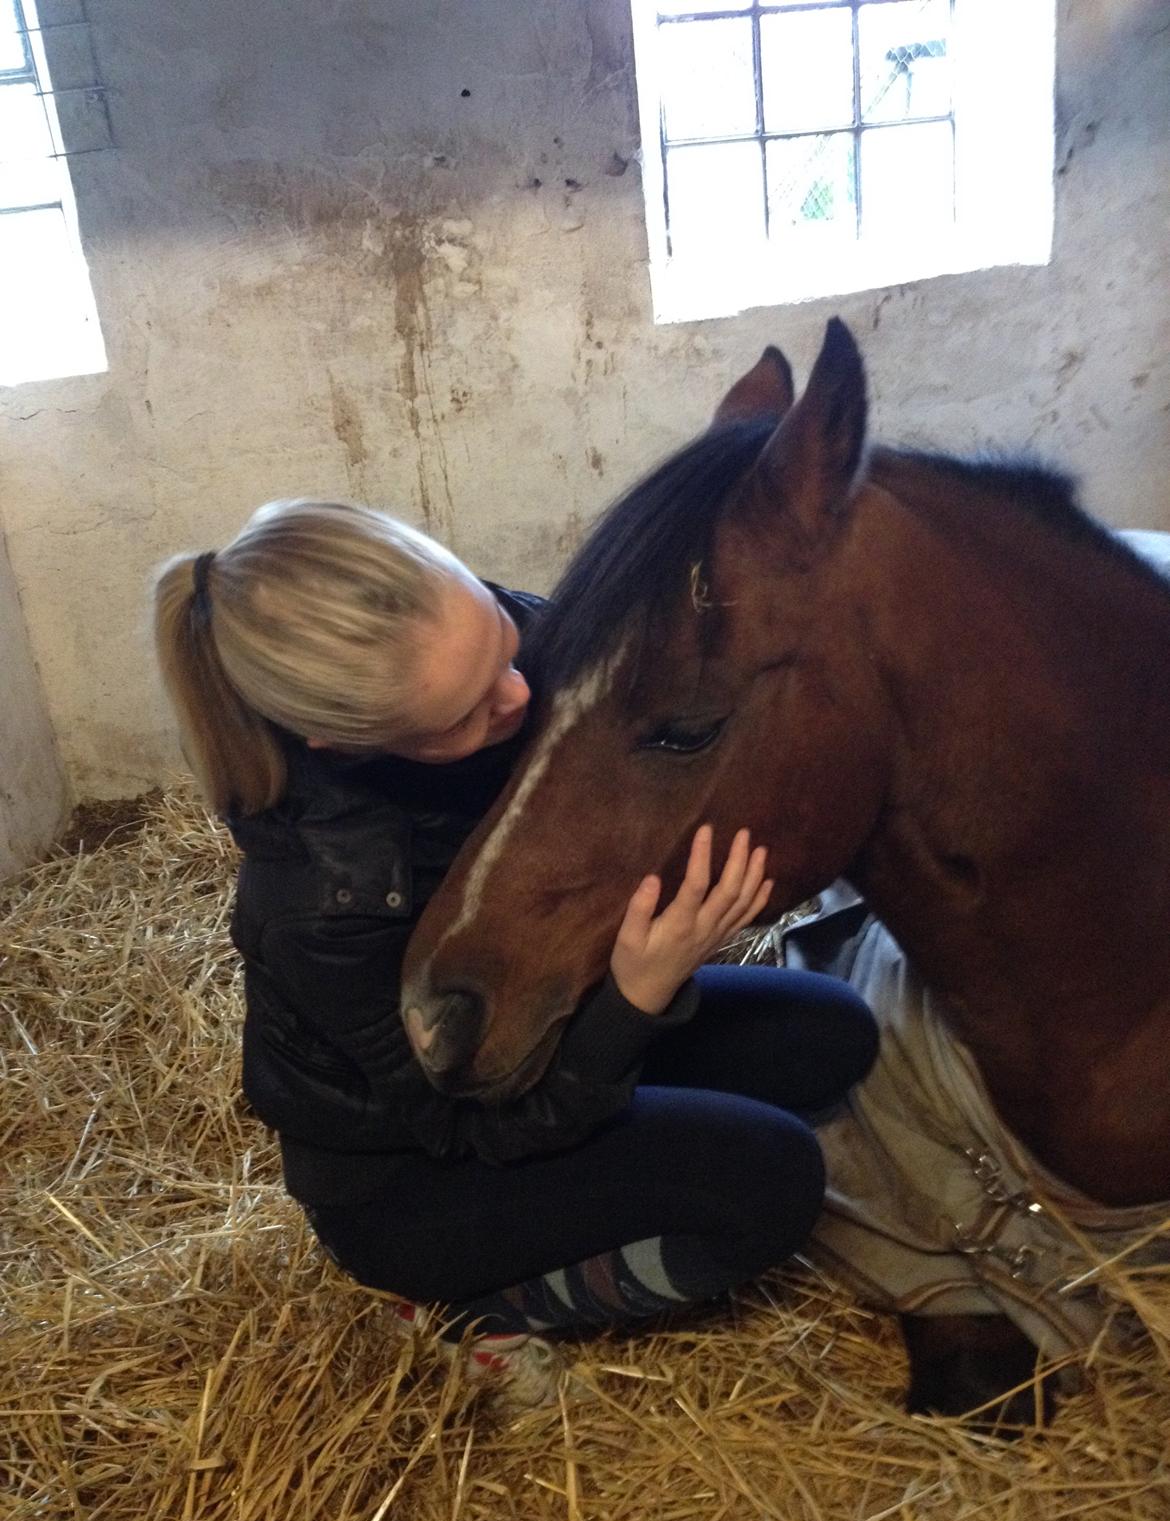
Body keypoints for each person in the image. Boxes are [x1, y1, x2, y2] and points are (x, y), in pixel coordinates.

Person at [153, 498, 878, 1410]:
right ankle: (470, 1312)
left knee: (830, 1033)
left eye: (498, 636)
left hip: (547, 1024)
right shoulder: (322, 901)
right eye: (465, 714)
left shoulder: (507, 655)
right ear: (343, 742)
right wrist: (639, 993)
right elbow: (476, 1122)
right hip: (422, 1177)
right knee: (771, 1182)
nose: (519, 694)